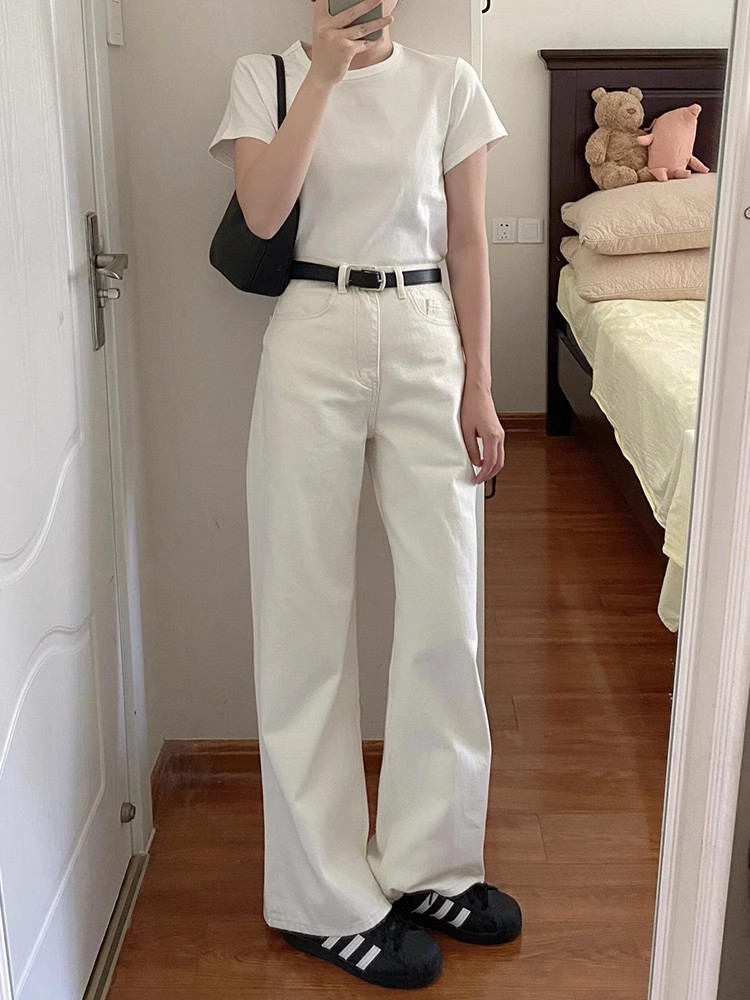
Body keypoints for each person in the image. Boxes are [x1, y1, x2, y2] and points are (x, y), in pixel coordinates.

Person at [208, 0, 522, 988]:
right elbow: (264, 213)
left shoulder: (448, 83)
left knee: (447, 610)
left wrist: (481, 384)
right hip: (313, 332)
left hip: (428, 331)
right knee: (302, 614)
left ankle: (431, 864)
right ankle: (323, 898)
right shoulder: (265, 75)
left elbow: (469, 241)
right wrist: (325, 75)